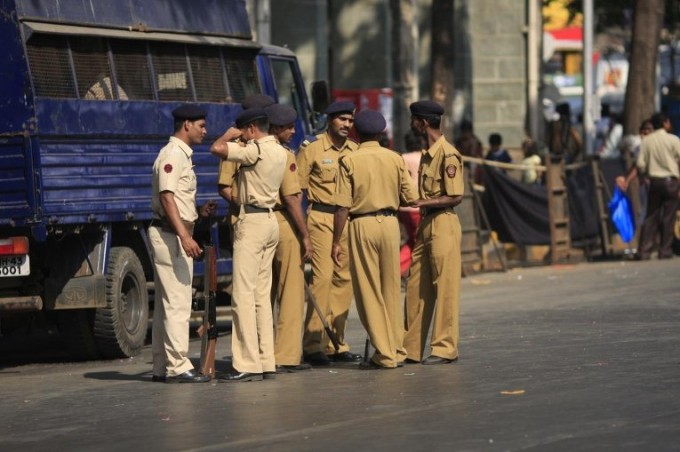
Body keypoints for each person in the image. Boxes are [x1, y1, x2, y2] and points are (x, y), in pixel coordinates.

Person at [332, 109, 418, 369]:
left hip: (363, 223)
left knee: (368, 290)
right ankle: (397, 347)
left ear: (356, 132)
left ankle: (384, 353)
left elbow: (342, 207)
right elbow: (410, 197)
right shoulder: (395, 158)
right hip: (390, 224)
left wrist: (336, 240)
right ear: (381, 133)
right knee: (391, 287)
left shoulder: (350, 160)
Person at [210, 108, 288, 381]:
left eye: (244, 131)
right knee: (261, 297)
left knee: (242, 294)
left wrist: (230, 135)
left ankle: (245, 363)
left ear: (252, 128)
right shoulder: (280, 150)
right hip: (270, 221)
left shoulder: (255, 150)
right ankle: (267, 361)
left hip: (252, 222)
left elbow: (217, 148)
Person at [150, 104, 217, 383]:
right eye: (201, 125)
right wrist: (185, 236)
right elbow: (167, 198)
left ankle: (161, 367)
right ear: (186, 124)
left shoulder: (181, 156)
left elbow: (176, 199)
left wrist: (198, 214)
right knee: (178, 303)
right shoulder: (172, 155)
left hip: (173, 233)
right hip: (171, 237)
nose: (205, 131)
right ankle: (178, 368)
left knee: (167, 305)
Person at [296, 101, 362, 366]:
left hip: (347, 218)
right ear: (330, 120)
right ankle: (313, 345)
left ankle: (337, 343)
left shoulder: (356, 151)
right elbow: (297, 189)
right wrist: (302, 230)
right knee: (322, 280)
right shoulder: (311, 149)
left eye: (350, 120)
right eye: (342, 120)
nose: (347, 125)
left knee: (344, 282)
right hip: (321, 217)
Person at [403, 100, 465, 365]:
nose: (412, 125)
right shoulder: (427, 153)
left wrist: (422, 202)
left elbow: (455, 195)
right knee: (416, 287)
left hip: (444, 224)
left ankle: (444, 348)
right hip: (426, 223)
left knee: (445, 288)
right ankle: (410, 349)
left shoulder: (448, 154)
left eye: (413, 120)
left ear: (423, 122)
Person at [264, 103, 315, 373]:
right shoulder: (285, 155)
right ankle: (286, 355)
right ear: (274, 128)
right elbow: (293, 198)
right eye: (288, 127)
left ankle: (261, 354)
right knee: (291, 290)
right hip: (283, 221)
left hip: (255, 220)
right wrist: (305, 235)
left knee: (262, 293)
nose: (293, 131)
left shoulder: (250, 150)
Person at [618, 112, 680, 260]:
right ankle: (665, 251)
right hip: (671, 182)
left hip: (654, 183)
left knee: (651, 217)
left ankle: (644, 251)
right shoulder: (673, 139)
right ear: (665, 123)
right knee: (668, 217)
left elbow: (640, 164)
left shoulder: (646, 141)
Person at [398, 130, 425, 277]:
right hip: (417, 206)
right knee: (419, 240)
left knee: (413, 238)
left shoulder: (401, 158)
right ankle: (398, 268)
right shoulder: (422, 158)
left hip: (402, 206)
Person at [454, 119, 484, 185]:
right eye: (463, 132)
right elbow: (456, 153)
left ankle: (472, 182)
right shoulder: (459, 141)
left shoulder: (474, 141)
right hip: (462, 162)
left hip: (473, 163)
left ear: (469, 132)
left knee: (473, 166)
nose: (464, 134)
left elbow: (475, 155)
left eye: (466, 132)